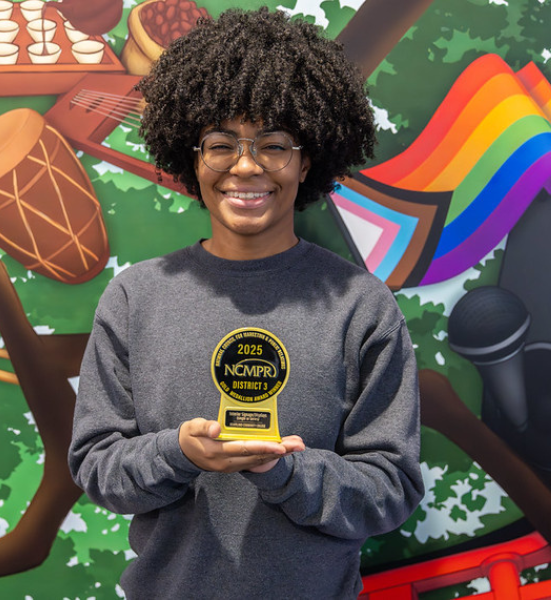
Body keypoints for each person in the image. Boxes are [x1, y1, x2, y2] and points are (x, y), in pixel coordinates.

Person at [68, 8, 424, 599]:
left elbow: (390, 490)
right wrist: (176, 453)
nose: (246, 165)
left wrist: (285, 472)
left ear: (307, 160)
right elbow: (98, 467)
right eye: (221, 144)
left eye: (274, 144)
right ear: (192, 157)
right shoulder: (137, 296)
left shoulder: (361, 305)